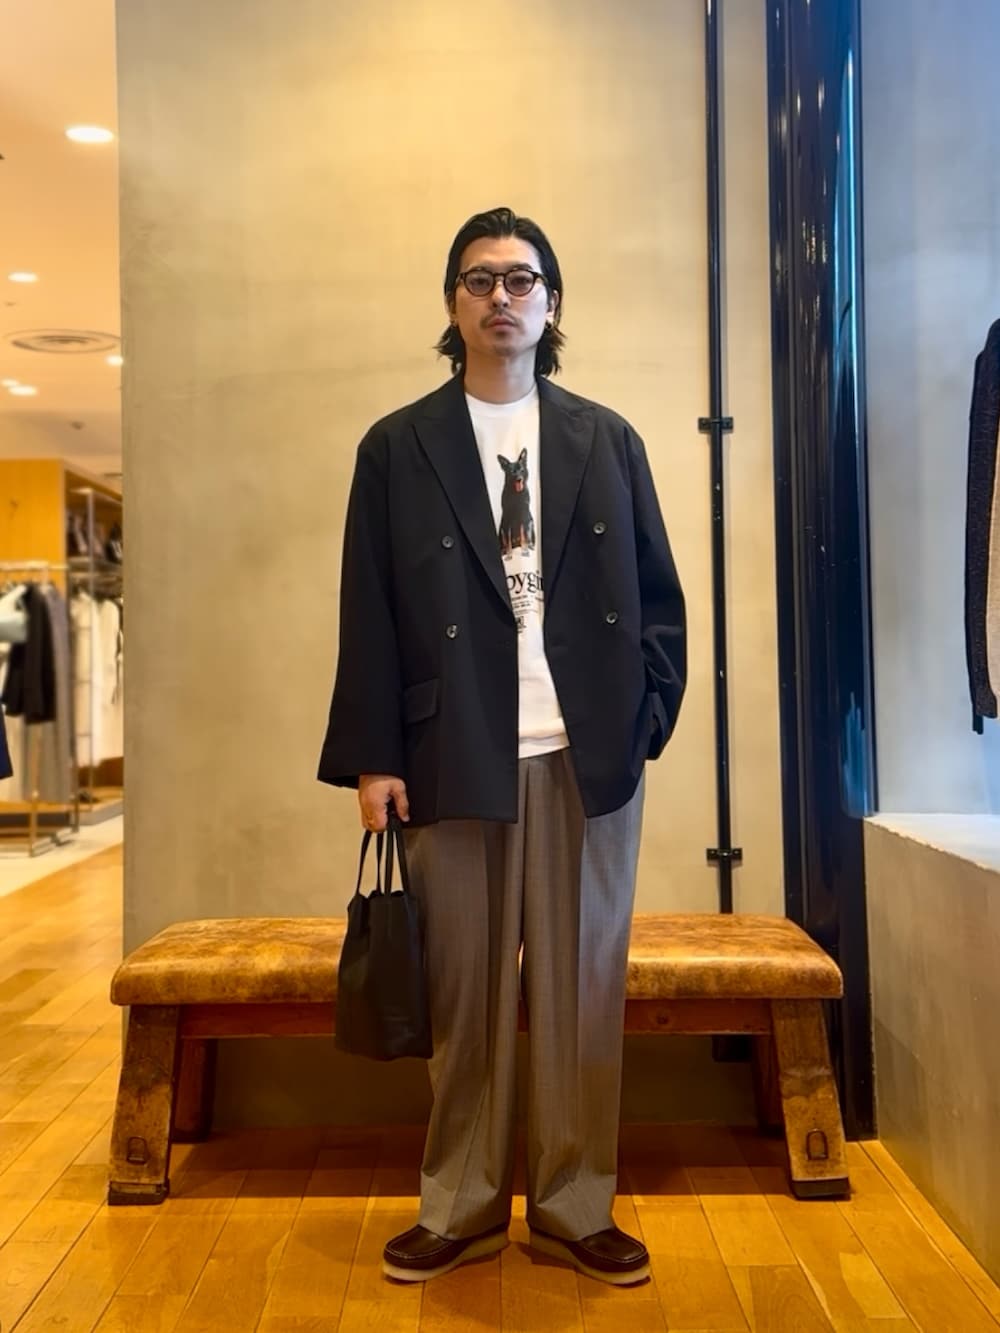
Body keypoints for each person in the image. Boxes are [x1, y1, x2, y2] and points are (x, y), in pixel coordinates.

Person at [319, 206, 686, 1285]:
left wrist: (643, 718)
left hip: (586, 756)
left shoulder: (606, 439)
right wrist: (375, 756)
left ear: (550, 302)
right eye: (479, 280)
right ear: (453, 303)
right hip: (451, 750)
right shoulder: (397, 447)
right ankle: (460, 1204)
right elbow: (368, 609)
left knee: (582, 991)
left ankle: (576, 1204)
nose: (500, 297)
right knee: (465, 1000)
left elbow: (658, 597)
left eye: (521, 280)